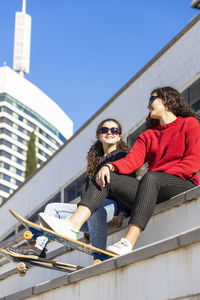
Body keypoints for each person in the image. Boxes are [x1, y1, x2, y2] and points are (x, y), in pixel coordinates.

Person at [34, 86, 200, 256]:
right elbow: (132, 160)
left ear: (166, 100)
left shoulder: (189, 124)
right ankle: (73, 225)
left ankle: (128, 242)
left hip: (181, 183)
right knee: (106, 177)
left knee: (151, 178)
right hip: (151, 188)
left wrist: (159, 175)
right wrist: (109, 166)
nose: (147, 106)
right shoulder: (148, 135)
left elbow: (192, 163)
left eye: (151, 100)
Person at [9, 119, 132, 260]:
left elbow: (129, 185)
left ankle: (100, 254)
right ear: (99, 135)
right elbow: (87, 195)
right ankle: (39, 247)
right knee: (52, 208)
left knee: (95, 208)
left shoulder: (122, 157)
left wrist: (122, 213)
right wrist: (86, 222)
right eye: (105, 130)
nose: (109, 132)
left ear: (119, 136)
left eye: (114, 130)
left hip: (112, 208)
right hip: (91, 213)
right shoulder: (94, 164)